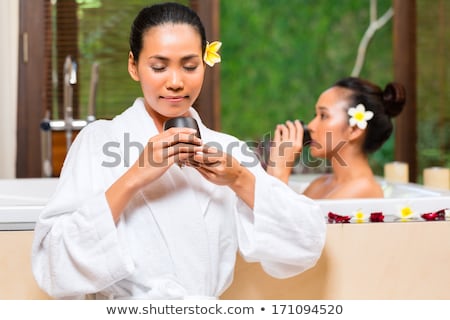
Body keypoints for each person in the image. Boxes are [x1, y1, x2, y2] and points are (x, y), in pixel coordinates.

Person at [31, 2, 326, 299]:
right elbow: (54, 266)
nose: (175, 82)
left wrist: (241, 179)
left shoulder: (227, 150)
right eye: (159, 67)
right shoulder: (99, 142)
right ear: (133, 65)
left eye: (189, 66)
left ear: (205, 63)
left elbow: (304, 245)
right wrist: (134, 177)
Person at [267, 76, 406, 199]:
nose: (311, 126)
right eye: (315, 115)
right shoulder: (319, 185)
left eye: (323, 116)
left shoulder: (363, 189)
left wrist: (281, 173)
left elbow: (287, 226)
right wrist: (275, 165)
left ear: (355, 129)